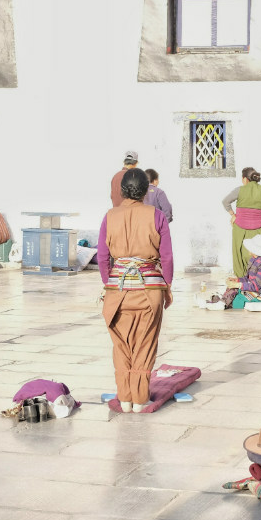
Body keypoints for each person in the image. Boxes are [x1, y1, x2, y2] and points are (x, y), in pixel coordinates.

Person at [97, 168, 173, 413]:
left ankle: (125, 397)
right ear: (146, 190)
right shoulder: (157, 216)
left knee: (121, 345)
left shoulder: (110, 216)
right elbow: (167, 257)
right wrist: (167, 286)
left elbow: (102, 257)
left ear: (122, 191)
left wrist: (109, 284)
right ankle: (140, 399)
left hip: (117, 290)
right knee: (145, 343)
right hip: (149, 289)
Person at [223, 167, 261, 278]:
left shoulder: (240, 190)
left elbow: (225, 202)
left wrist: (233, 215)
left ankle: (242, 280)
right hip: (259, 227)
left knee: (239, 253)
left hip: (240, 227)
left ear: (245, 179)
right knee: (259, 252)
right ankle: (258, 279)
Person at [227, 234, 261, 303]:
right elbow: (249, 279)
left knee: (237, 301)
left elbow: (256, 286)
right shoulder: (254, 260)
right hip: (259, 291)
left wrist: (238, 285)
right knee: (233, 294)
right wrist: (237, 280)